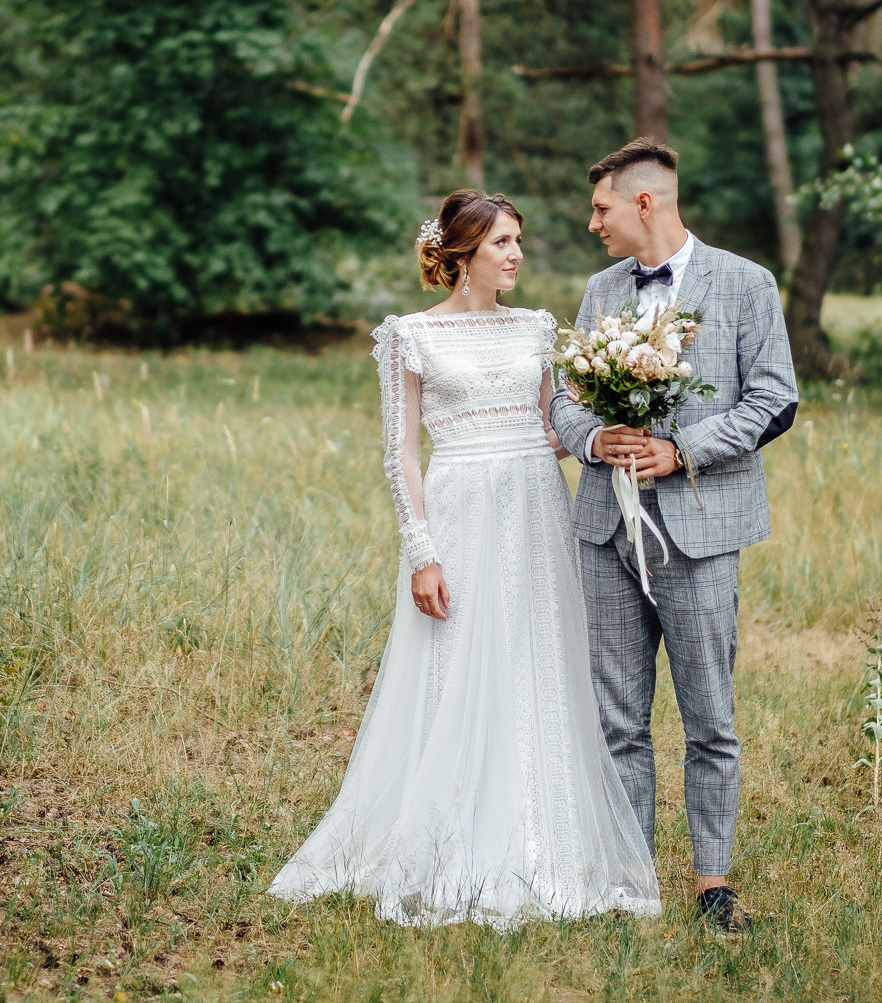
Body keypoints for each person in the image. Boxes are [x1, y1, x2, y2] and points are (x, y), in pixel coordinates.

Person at [270, 189, 661, 928]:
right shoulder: (410, 335)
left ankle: (544, 842)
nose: (516, 254)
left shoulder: (539, 327)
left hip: (536, 505)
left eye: (519, 239)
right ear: (462, 254)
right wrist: (423, 550)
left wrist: (600, 423)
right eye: (502, 242)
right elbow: (401, 452)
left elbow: (557, 424)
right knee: (456, 668)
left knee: (536, 660)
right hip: (457, 509)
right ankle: (449, 840)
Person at [547, 139, 799, 934]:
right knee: (618, 714)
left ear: (645, 203)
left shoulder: (746, 283)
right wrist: (595, 441)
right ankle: (630, 877)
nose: (594, 223)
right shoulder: (599, 291)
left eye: (602, 208)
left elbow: (774, 399)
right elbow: (563, 399)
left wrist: (682, 449)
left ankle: (713, 882)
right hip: (605, 531)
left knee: (709, 715)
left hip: (699, 526)